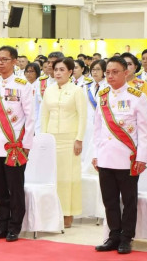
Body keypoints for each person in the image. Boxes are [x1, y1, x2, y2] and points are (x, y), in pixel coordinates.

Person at [93, 56, 147, 254]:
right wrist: (96, 154)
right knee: (109, 200)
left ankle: (127, 238)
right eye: (107, 72)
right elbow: (97, 129)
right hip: (106, 157)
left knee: (129, 201)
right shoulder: (103, 95)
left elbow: (144, 131)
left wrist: (142, 158)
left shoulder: (137, 96)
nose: (110, 76)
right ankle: (113, 236)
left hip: (128, 159)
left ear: (126, 72)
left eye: (114, 72)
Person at [0, 46, 35, 242]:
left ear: (14, 61)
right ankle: (1, 225)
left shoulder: (23, 85)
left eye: (5, 59)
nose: (1, 63)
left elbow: (30, 118)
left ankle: (14, 227)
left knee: (15, 189)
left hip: (14, 146)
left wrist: (26, 144)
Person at [41, 57, 87, 228]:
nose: (58, 73)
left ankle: (68, 213)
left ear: (70, 72)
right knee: (54, 177)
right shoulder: (48, 90)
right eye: (56, 69)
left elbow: (83, 116)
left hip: (70, 140)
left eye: (62, 69)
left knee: (68, 178)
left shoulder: (77, 91)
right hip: (52, 139)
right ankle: (53, 211)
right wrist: (44, 139)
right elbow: (44, 115)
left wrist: (79, 139)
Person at [81, 60, 108, 171]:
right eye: (93, 69)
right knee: (87, 147)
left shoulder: (109, 86)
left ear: (104, 71)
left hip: (103, 123)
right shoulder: (85, 87)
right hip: (88, 122)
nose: (95, 72)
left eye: (98, 69)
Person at [34, 52, 64, 134]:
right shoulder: (40, 82)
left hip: (62, 126)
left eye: (53, 62)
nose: (50, 65)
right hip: (42, 125)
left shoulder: (69, 83)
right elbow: (36, 107)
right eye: (48, 62)